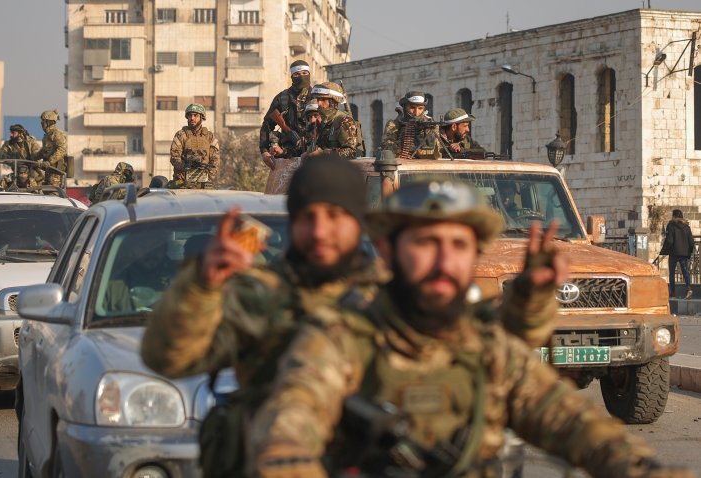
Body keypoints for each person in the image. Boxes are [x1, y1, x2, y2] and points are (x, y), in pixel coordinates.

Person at [141, 156, 562, 477]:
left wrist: (530, 296)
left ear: (358, 220)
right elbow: (169, 358)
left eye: (336, 216)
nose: (320, 231)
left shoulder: (395, 288)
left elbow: (496, 347)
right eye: (307, 217)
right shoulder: (259, 296)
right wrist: (200, 288)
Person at [249, 179, 685, 478]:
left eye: (458, 246)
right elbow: (289, 430)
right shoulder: (338, 340)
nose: (443, 261)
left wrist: (640, 467)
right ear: (386, 249)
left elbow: (569, 421)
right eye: (425, 243)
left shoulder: (488, 348)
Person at [259, 60, 312, 169]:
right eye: (297, 74)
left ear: (309, 74)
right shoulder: (282, 98)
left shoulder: (317, 96)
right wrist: (264, 151)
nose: (301, 76)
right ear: (292, 76)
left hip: (313, 153)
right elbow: (267, 125)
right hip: (287, 154)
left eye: (304, 73)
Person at [300, 83, 361, 159]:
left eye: (323, 100)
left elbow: (351, 152)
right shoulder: (324, 123)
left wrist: (323, 154)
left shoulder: (344, 121)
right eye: (318, 99)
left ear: (332, 101)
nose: (319, 103)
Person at [169, 103, 219, 189]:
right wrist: (185, 166)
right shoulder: (181, 135)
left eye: (195, 115)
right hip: (183, 182)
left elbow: (215, 160)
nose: (192, 118)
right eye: (190, 115)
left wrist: (209, 175)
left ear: (201, 117)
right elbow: (174, 157)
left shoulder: (209, 137)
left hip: (204, 182)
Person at [381, 91, 441, 159]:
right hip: (402, 163)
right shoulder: (394, 124)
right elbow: (386, 146)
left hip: (426, 163)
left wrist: (424, 134)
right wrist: (402, 144)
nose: (416, 112)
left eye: (420, 108)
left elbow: (436, 150)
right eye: (412, 108)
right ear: (405, 107)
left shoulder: (430, 124)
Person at [659, 209, 694, 299]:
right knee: (685, 271)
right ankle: (689, 289)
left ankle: (673, 292)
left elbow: (669, 240)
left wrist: (664, 250)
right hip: (684, 253)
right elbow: (691, 242)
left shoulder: (671, 225)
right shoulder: (687, 227)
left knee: (672, 273)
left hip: (674, 253)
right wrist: (689, 253)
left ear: (674, 216)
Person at [33, 110, 68, 187]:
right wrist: (34, 157)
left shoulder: (57, 134)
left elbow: (62, 149)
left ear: (49, 122)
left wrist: (49, 161)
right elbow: (44, 151)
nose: (42, 123)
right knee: (47, 190)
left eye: (44, 121)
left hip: (56, 170)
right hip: (49, 169)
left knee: (54, 192)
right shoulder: (47, 135)